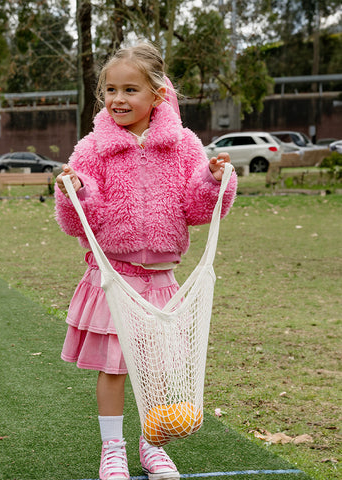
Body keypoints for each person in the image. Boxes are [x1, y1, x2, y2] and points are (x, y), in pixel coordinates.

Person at [54, 42, 237, 480]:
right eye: (110, 89)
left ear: (157, 94)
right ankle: (112, 449)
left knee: (157, 370)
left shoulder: (183, 146)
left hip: (160, 283)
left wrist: (213, 182)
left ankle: (151, 445)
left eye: (130, 89)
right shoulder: (93, 148)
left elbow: (196, 207)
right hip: (113, 280)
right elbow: (81, 222)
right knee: (115, 368)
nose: (118, 99)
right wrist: (75, 191)